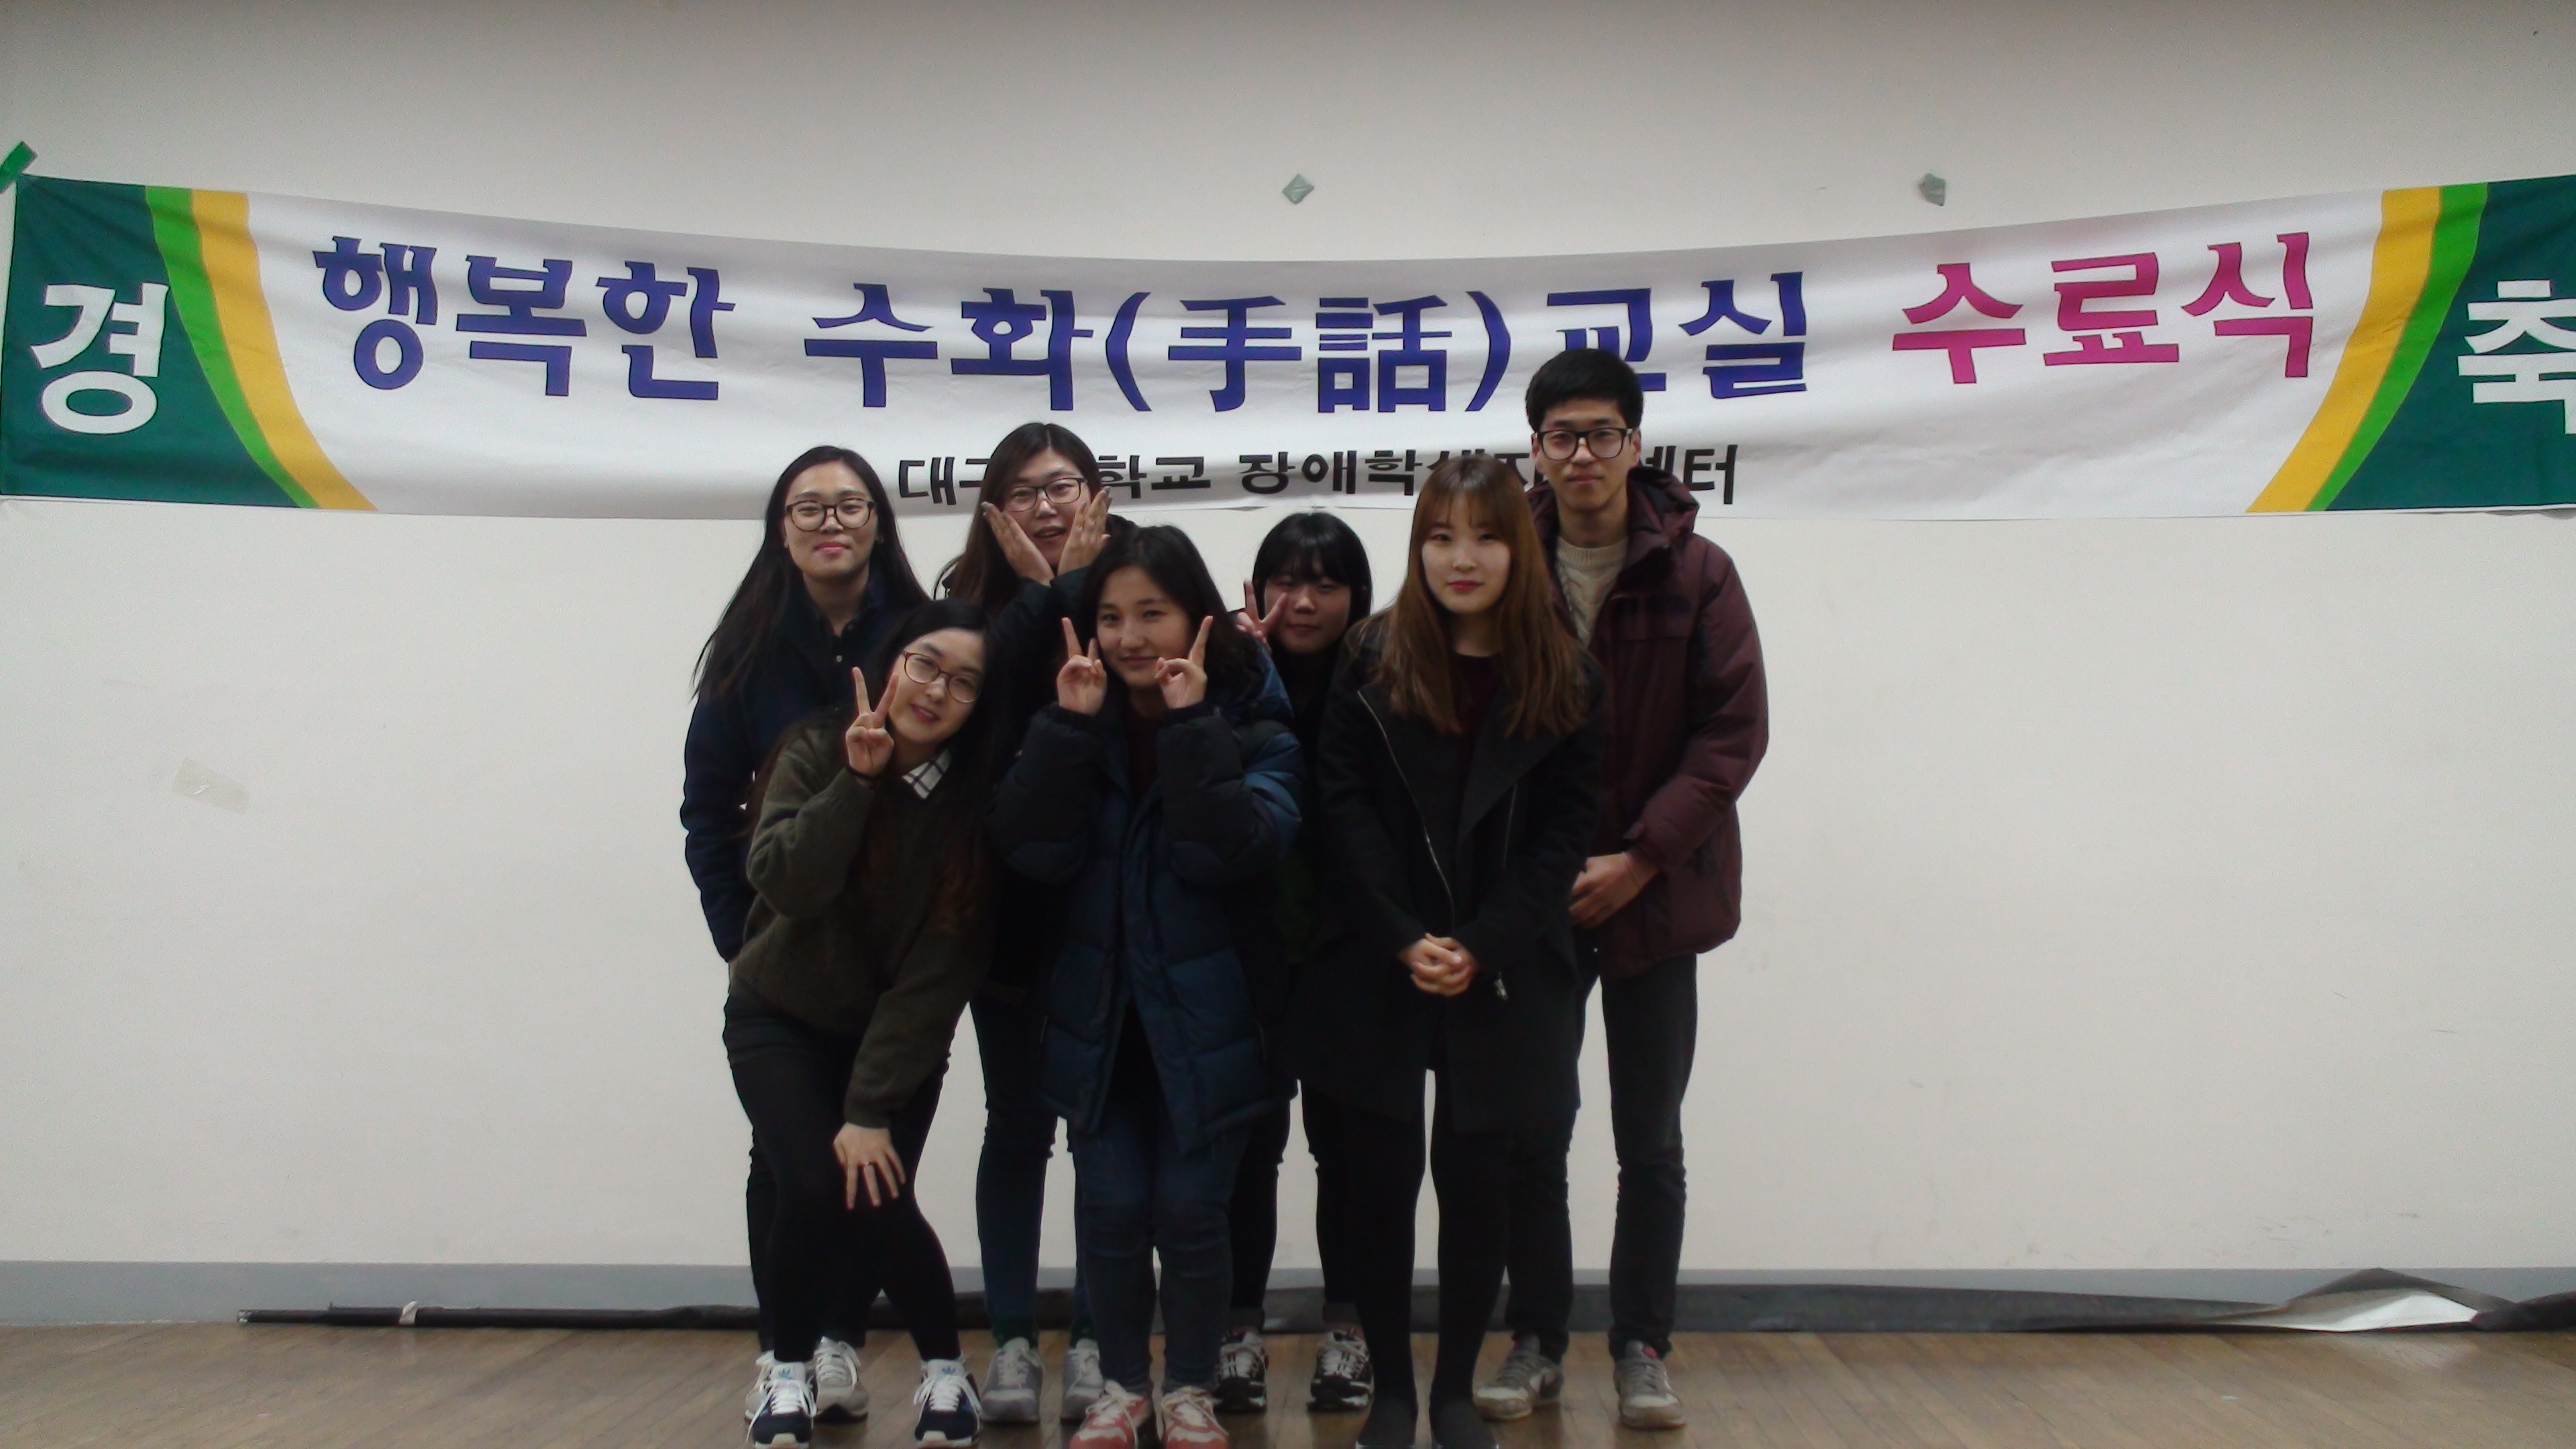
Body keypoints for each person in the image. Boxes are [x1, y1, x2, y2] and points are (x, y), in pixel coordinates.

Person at [1476, 349, 1768, 1432]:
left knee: (1650, 1140)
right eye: (1562, 437)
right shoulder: (1506, 568)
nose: (1583, 455)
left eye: (1602, 434)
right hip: (1539, 899)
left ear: (1636, 444)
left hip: (1658, 891)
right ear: (1536, 452)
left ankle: (1642, 1346)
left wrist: (1641, 857)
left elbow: (1733, 735)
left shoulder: (1699, 573)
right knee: (1533, 1129)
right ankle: (1536, 1339)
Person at [1295, 457, 1605, 1449]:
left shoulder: (1566, 673)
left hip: (1503, 968)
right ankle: (1392, 1390)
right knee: (1377, 1183)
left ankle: (1456, 1393)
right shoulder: (1371, 656)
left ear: (1520, 547)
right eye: (1440, 537)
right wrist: (1401, 935)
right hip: (1377, 958)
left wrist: (1481, 944)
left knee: (1481, 1185)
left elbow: (1565, 835)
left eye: (1485, 536)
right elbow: (1340, 808)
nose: (1460, 558)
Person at [987, 527, 1303, 1449]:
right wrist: (1066, 730)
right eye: (1112, 616)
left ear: (1199, 618)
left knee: (1193, 1214)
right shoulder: (1068, 720)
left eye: (1151, 614)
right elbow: (1028, 849)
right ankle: (1124, 1388)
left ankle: (1191, 1387)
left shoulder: (1254, 724)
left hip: (1212, 1022)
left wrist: (1191, 726)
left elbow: (1231, 851)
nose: (1129, 637)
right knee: (1113, 1211)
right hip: (1102, 1019)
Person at [681, 445, 932, 1427]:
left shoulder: (918, 637)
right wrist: (734, 934)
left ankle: (839, 1341)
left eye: (850, 505)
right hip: (783, 959)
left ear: (879, 523)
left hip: (891, 956)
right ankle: (783, 1350)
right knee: (788, 1167)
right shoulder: (746, 652)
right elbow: (707, 812)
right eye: (809, 508)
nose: (832, 522)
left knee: (873, 1165)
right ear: (781, 531)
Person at [729, 599, 1004, 1449]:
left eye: (965, 683)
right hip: (779, 1014)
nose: (937, 691)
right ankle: (786, 1372)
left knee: (876, 1190)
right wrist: (856, 782)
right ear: (891, 663)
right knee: (812, 1184)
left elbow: (935, 978)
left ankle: (946, 1374)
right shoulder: (818, 748)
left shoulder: (975, 808)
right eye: (926, 664)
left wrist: (870, 1106)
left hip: (890, 1037)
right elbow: (787, 881)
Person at [941, 423, 1121, 1426]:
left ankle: (1096, 1336)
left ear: (1097, 495)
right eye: (1025, 491)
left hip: (1108, 906)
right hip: (1003, 911)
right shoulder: (967, 610)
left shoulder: (1134, 587)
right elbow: (978, 721)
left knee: (1100, 1131)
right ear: (994, 510)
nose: (1048, 508)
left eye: (1064, 487)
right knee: (1017, 1124)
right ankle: (1012, 1338)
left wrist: (1083, 592)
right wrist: (1049, 595)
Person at [1217, 512, 1376, 1415]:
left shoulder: (1384, 679)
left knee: (1346, 1151)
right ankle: (1238, 1327)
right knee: (1249, 1146)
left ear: (1357, 595)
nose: (1303, 600)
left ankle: (1347, 1328)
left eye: (1325, 582)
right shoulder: (1226, 676)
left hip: (1352, 952)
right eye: (1285, 579)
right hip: (1247, 948)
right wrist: (1240, 671)